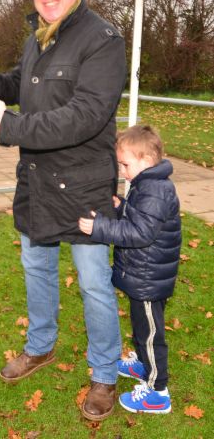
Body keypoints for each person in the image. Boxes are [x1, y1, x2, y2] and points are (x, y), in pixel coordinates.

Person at [0, 0, 126, 421]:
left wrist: (9, 127)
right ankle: (40, 346)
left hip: (83, 188)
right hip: (37, 183)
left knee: (94, 284)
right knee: (36, 269)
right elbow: (22, 81)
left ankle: (104, 374)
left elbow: (83, 116)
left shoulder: (103, 39)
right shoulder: (38, 35)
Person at [78, 125, 182, 414]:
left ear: (146, 160)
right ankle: (141, 364)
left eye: (125, 164)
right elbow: (140, 217)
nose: (122, 170)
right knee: (140, 327)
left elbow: (140, 233)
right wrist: (122, 205)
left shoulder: (156, 190)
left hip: (149, 279)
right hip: (144, 275)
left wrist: (100, 227)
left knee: (150, 334)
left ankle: (157, 392)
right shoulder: (147, 185)